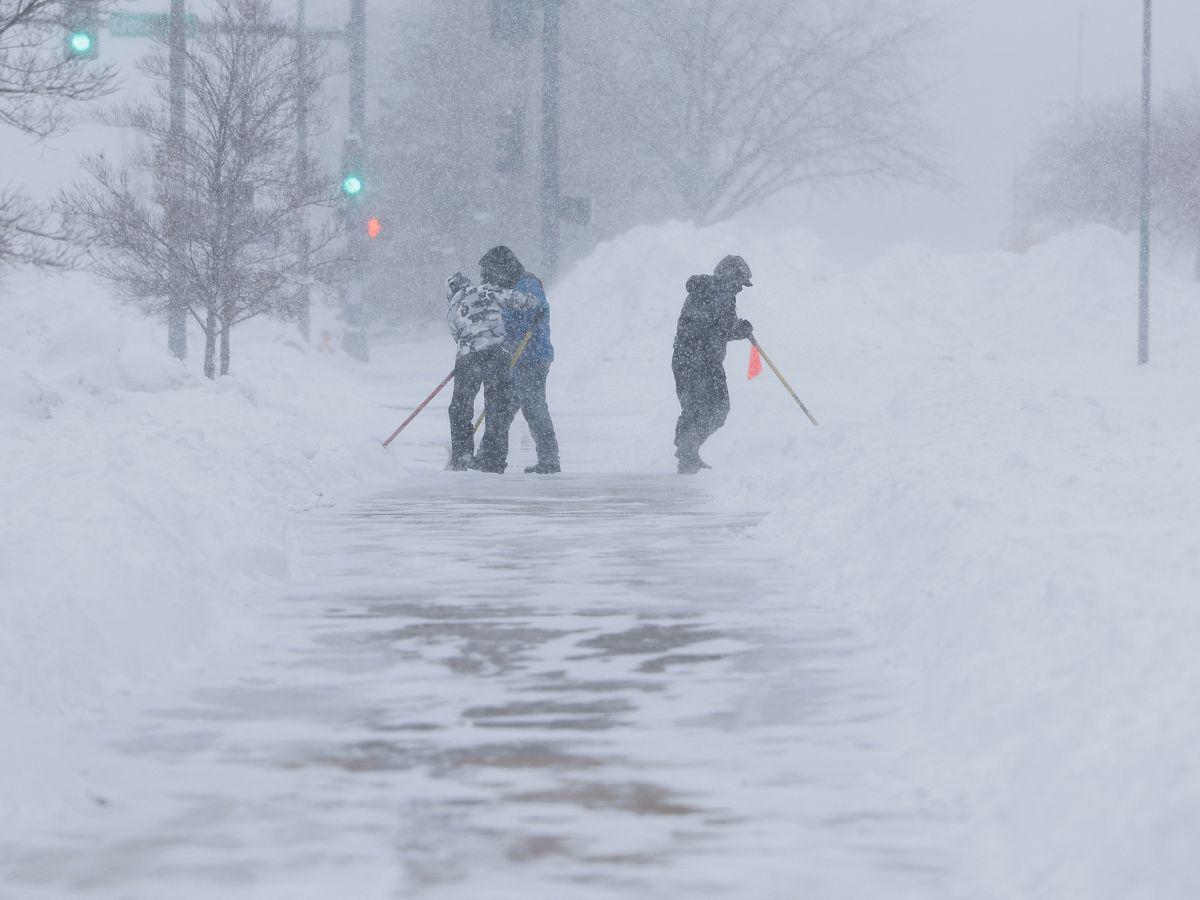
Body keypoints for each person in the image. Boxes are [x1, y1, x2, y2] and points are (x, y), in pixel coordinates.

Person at [445, 271, 540, 474]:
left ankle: (462, 455)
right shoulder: (488, 291)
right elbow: (518, 299)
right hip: (497, 355)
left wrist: (469, 348)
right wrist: (532, 302)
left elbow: (457, 337)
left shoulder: (452, 310)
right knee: (497, 408)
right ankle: (494, 459)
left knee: (460, 407)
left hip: (469, 358)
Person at [479, 245, 561, 475]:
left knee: (534, 408)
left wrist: (502, 331)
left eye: (491, 272)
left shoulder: (527, 284)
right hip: (514, 358)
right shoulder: (510, 286)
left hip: (531, 357)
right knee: (502, 409)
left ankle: (549, 459)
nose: (489, 278)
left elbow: (525, 317)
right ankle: (486, 454)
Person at [671, 254, 755, 474]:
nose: (740, 289)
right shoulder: (722, 295)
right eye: (739, 283)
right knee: (718, 408)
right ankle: (688, 450)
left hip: (684, 359)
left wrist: (736, 327)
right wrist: (743, 329)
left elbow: (710, 325)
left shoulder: (702, 290)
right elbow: (723, 327)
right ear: (731, 277)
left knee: (694, 408)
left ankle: (687, 453)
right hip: (704, 362)